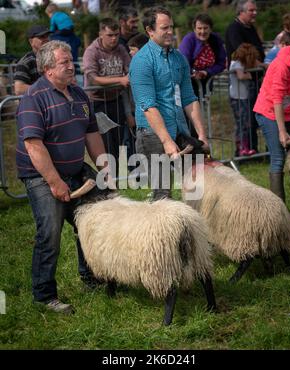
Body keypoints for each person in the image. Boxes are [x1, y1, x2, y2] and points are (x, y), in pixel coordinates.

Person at [16, 41, 108, 314]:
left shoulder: (79, 94)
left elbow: (91, 134)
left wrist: (105, 168)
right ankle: (44, 296)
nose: (72, 66)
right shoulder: (34, 97)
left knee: (93, 222)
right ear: (48, 69)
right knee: (50, 233)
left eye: (72, 61)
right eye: (64, 63)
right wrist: (55, 183)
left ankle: (92, 277)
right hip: (41, 176)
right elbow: (34, 145)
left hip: (76, 170)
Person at [129, 6, 208, 201]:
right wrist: (166, 141)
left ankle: (192, 230)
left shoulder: (179, 58)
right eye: (164, 28)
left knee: (196, 189)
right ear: (150, 30)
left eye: (171, 27)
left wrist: (202, 135)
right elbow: (148, 105)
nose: (170, 32)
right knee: (163, 195)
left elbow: (190, 98)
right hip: (152, 134)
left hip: (179, 129)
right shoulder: (141, 61)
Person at [83, 18, 133, 168]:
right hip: (97, 102)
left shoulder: (121, 49)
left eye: (116, 35)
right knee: (105, 144)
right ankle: (108, 180)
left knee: (118, 142)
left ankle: (118, 179)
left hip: (116, 100)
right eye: (110, 35)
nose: (114, 38)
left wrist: (126, 77)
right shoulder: (91, 51)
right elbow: (93, 79)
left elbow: (130, 70)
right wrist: (120, 79)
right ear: (101, 34)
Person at [253, 44, 290, 203]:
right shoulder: (282, 65)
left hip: (289, 110)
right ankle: (279, 209)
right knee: (278, 157)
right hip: (269, 112)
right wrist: (281, 131)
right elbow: (277, 99)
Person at [225, 0, 265, 154]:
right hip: (241, 89)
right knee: (244, 120)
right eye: (251, 10)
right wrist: (261, 66)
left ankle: (253, 149)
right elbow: (243, 55)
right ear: (241, 12)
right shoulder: (234, 29)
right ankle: (242, 150)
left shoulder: (251, 28)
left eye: (255, 10)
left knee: (253, 119)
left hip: (254, 82)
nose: (255, 13)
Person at [178, 13, 226, 96]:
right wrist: (194, 72)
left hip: (207, 79)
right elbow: (183, 61)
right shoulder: (189, 40)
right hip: (189, 81)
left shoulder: (216, 40)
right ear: (194, 29)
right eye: (199, 28)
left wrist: (206, 72)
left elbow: (221, 63)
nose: (202, 31)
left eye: (205, 28)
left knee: (204, 106)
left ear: (210, 29)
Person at [229, 43, 259, 156]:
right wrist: (251, 75)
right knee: (241, 123)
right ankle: (241, 147)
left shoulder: (241, 63)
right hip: (238, 98)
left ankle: (246, 147)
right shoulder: (236, 63)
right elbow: (241, 76)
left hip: (244, 97)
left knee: (246, 123)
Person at [13, 25, 51, 95]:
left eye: (47, 36)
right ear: (31, 42)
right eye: (41, 37)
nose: (46, 39)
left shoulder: (56, 57)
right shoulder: (26, 62)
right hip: (37, 103)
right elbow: (19, 89)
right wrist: (48, 89)